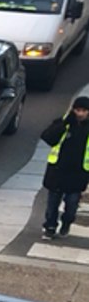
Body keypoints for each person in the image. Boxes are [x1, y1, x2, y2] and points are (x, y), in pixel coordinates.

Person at [39, 96, 89, 241]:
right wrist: (63, 124)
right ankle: (50, 226)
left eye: (84, 111)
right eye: (77, 110)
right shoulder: (64, 123)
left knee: (72, 204)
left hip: (78, 174)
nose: (80, 114)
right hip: (58, 171)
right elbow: (48, 137)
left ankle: (67, 222)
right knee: (52, 204)